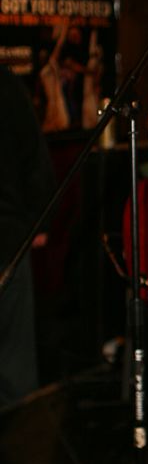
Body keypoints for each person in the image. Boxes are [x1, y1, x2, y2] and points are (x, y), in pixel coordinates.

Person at [0, 66, 56, 407]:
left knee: (15, 364)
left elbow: (33, 155)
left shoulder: (6, 85)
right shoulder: (7, 83)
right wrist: (40, 221)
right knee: (14, 364)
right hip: (10, 237)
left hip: (8, 237)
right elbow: (34, 156)